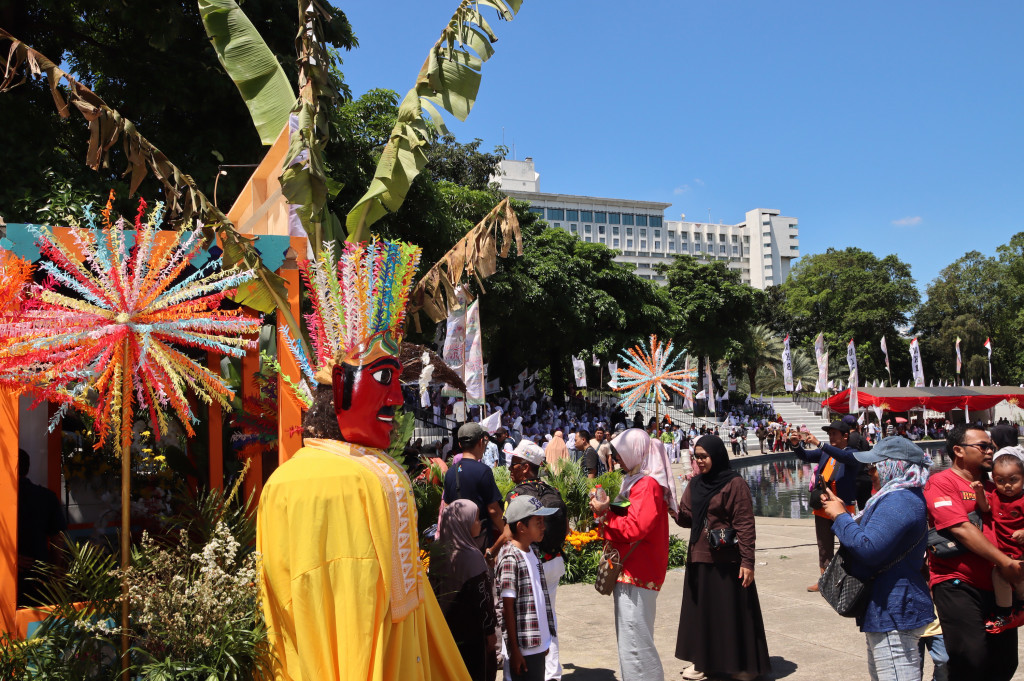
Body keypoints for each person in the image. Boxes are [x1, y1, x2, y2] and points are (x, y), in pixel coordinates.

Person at [257, 237, 471, 681]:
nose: (396, 397)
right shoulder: (326, 480)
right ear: (339, 387)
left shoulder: (309, 478)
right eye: (384, 378)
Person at [819, 436, 934, 681]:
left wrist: (841, 517)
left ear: (893, 465)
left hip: (893, 608)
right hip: (888, 606)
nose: (870, 471)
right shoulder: (898, 496)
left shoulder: (899, 500)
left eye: (875, 465)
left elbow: (869, 548)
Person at [925, 424, 1023, 680]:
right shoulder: (942, 482)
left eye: (991, 446)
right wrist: (1006, 563)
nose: (991, 451)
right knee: (971, 660)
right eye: (983, 446)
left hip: (999, 587)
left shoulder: (996, 485)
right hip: (958, 584)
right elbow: (961, 529)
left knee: (1004, 663)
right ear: (958, 450)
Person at [673, 435, 770, 681]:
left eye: (704, 456)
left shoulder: (734, 484)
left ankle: (741, 664)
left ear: (716, 455)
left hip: (727, 560)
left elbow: (745, 524)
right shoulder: (695, 484)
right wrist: (671, 508)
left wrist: (748, 562)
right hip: (699, 557)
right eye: (697, 457)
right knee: (702, 615)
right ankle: (702, 663)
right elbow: (687, 519)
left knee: (730, 613)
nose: (700, 461)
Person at [589, 428, 674, 681]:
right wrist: (606, 509)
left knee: (635, 643)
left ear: (636, 451)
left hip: (637, 571)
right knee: (632, 640)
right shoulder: (636, 481)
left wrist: (605, 514)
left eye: (620, 453)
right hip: (632, 569)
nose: (616, 459)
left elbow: (637, 527)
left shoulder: (647, 484)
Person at [502, 440, 569, 681]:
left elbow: (509, 531)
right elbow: (566, 528)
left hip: (531, 564)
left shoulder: (517, 494)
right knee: (548, 615)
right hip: (555, 561)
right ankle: (553, 673)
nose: (510, 468)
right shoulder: (552, 491)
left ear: (526, 467)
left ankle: (521, 672)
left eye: (514, 464)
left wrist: (492, 551)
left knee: (527, 617)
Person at [790, 420, 863, 591]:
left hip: (844, 507)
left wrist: (820, 444)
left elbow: (843, 457)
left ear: (845, 436)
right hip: (823, 506)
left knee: (848, 545)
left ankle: (849, 580)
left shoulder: (853, 453)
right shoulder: (825, 452)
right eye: (829, 434)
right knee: (824, 545)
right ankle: (825, 582)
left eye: (834, 434)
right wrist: (796, 445)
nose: (831, 437)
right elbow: (806, 456)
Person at [433, 500, 498, 681]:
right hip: (472, 635)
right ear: (464, 522)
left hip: (445, 630)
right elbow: (483, 599)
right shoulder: (471, 556)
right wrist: (490, 632)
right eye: (476, 519)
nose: (479, 523)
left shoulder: (437, 550)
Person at [496, 495, 558, 681]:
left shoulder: (533, 551)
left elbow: (538, 598)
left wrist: (545, 638)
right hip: (523, 648)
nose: (543, 527)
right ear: (521, 527)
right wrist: (514, 651)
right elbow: (507, 608)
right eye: (538, 522)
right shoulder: (509, 558)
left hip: (537, 643)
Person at [972, 453, 1024, 632]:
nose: (1007, 485)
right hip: (1003, 554)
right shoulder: (995, 495)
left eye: (1013, 480)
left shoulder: (1023, 500)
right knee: (999, 576)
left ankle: (1019, 605)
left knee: (1020, 578)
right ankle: (1005, 611)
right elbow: (985, 507)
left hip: (1020, 552)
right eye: (1000, 481)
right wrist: (979, 492)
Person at [444, 422, 507, 559]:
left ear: (460, 445)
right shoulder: (483, 471)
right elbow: (493, 510)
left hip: (457, 539)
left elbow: (447, 507)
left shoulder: (450, 473)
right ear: (481, 442)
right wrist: (506, 532)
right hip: (479, 539)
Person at [17, 449, 67, 607]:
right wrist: (56, 569)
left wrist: (10, 558)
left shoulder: (7, 496)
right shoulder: (47, 497)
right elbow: (57, 538)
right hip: (39, 572)